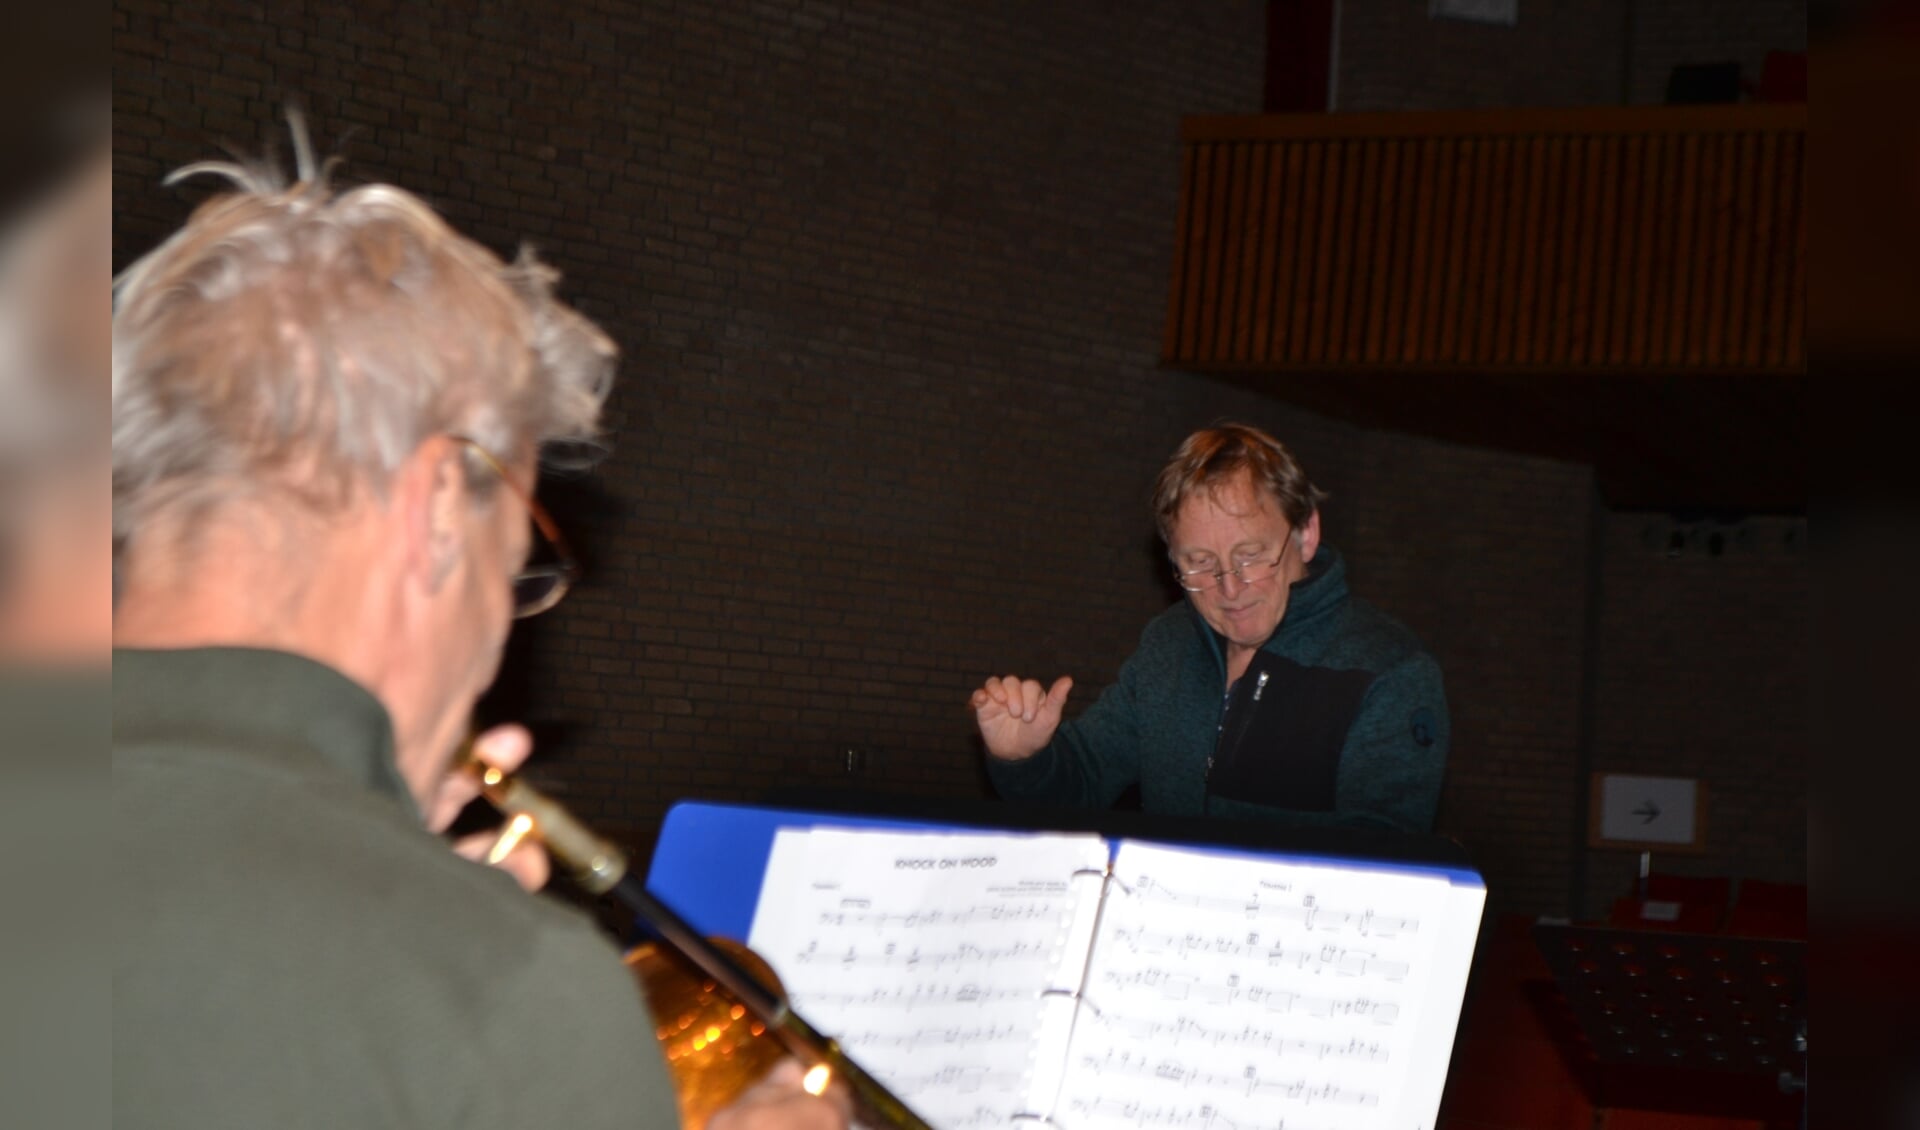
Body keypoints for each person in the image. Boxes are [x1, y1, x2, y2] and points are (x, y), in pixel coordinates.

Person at [111, 122, 845, 1130]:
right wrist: (444, 959)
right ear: (436, 517)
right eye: (514, 575)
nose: (499, 644)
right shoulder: (508, 994)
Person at [970, 423, 1448, 833]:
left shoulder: (1389, 672)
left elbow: (1383, 867)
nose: (1230, 588)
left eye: (1251, 557)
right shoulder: (1168, 645)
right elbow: (1082, 781)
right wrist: (1023, 759)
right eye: (1199, 564)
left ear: (1306, 533)